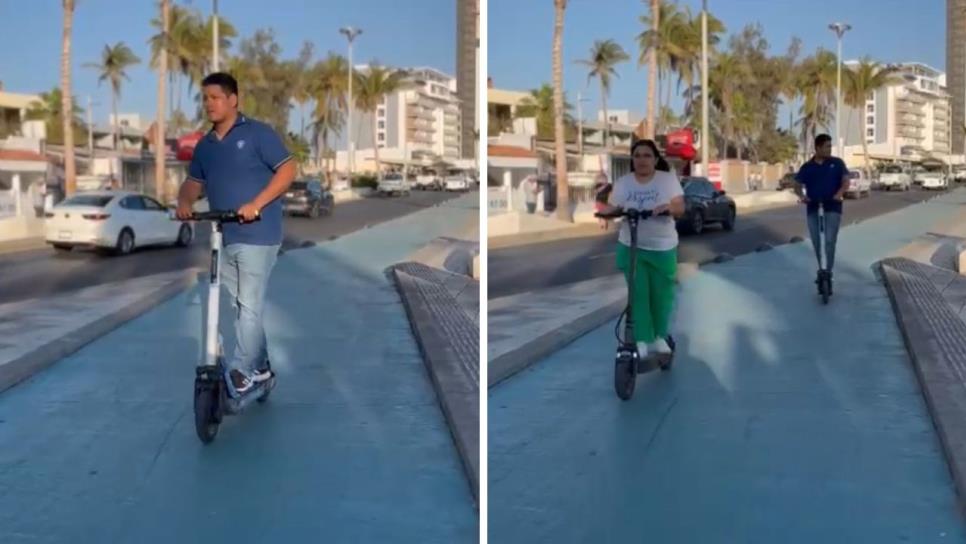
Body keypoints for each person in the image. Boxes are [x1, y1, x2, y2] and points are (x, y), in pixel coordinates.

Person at [175, 72, 296, 397]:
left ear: (233, 100)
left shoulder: (258, 134)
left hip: (260, 233)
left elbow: (288, 170)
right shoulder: (206, 146)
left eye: (215, 97)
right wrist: (184, 202)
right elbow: (193, 183)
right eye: (205, 98)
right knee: (240, 306)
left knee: (249, 304)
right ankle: (262, 366)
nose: (209, 104)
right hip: (225, 235)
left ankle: (245, 371)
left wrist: (256, 204)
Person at [598, 139, 685, 360]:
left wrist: (669, 207)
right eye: (637, 156)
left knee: (661, 296)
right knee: (638, 295)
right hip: (631, 246)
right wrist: (604, 212)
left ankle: (660, 336)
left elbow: (679, 206)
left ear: (655, 159)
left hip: (662, 248)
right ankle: (642, 339)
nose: (641, 160)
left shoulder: (667, 180)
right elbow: (615, 207)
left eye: (647, 155)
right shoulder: (624, 183)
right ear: (632, 159)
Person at [793, 133, 848, 293]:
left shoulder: (837, 163)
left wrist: (839, 194)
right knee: (817, 243)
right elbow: (797, 184)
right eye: (827, 147)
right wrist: (802, 196)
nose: (830, 149)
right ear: (817, 148)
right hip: (813, 207)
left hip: (832, 207)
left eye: (830, 146)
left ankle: (827, 272)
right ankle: (822, 270)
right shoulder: (807, 167)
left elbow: (846, 181)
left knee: (829, 241)